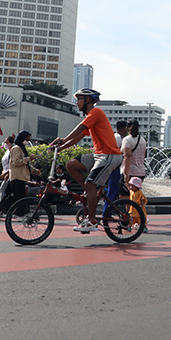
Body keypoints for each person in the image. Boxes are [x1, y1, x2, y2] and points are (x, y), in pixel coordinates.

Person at [51, 88, 123, 232]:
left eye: (79, 99)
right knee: (71, 164)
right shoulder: (91, 116)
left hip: (109, 155)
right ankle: (90, 192)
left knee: (90, 185)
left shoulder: (96, 112)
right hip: (99, 155)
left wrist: (64, 138)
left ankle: (91, 221)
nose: (77, 103)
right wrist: (62, 147)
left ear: (88, 100)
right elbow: (80, 136)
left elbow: (80, 127)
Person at [121, 119, 146, 198]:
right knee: (135, 196)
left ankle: (129, 210)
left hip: (130, 172)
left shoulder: (127, 140)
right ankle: (136, 210)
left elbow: (128, 156)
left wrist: (126, 173)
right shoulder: (142, 140)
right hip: (140, 173)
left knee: (124, 196)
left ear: (127, 128)